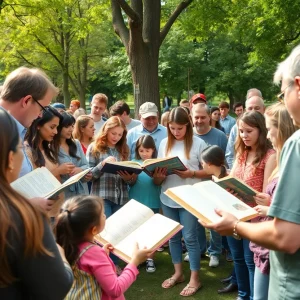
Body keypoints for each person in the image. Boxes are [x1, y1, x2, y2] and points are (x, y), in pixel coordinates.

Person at [200, 44, 300, 300]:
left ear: (297, 86)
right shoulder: (243, 153)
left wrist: (234, 226)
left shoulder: (294, 146)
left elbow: (287, 237)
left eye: (281, 94)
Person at [0, 108, 73, 299]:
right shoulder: (22, 217)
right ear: (10, 159)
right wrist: (61, 257)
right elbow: (56, 286)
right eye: (19, 149)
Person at [210, 111, 276, 300]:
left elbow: (265, 194)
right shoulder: (241, 152)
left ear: (261, 131)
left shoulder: (269, 156)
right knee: (237, 258)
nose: (244, 136)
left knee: (250, 261)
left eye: (249, 131)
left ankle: (255, 296)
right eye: (240, 131)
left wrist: (245, 195)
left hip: (255, 219)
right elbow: (235, 179)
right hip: (234, 214)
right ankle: (242, 295)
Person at [56, 195, 152, 300]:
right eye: (102, 215)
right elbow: (115, 289)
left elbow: (86, 269)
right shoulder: (93, 252)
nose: (105, 216)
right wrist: (135, 262)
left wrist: (103, 255)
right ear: (93, 230)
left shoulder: (67, 244)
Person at [156, 107, 208, 297]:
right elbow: (158, 174)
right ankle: (178, 273)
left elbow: (210, 171)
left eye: (180, 128)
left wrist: (191, 173)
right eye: (172, 128)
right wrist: (158, 175)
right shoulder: (163, 143)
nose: (176, 132)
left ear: (188, 125)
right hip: (167, 195)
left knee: (190, 237)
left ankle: (195, 278)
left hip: (189, 198)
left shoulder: (198, 143)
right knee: (173, 237)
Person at [249, 103, 296, 300]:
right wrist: (270, 200)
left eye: (269, 129)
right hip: (268, 244)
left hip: (276, 243)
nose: (267, 135)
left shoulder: (291, 159)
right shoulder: (281, 158)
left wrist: (235, 227)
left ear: (283, 128)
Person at [0, 66, 59, 211]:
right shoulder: (4, 129)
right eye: (42, 108)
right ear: (26, 101)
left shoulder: (14, 129)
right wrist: (28, 205)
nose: (40, 115)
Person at [87, 116, 132, 273]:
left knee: (119, 232)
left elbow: (130, 179)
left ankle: (115, 263)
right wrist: (103, 165)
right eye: (114, 133)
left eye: (120, 135)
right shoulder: (95, 148)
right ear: (106, 130)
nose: (116, 137)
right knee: (105, 232)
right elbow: (89, 176)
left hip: (121, 196)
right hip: (102, 196)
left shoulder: (124, 149)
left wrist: (129, 178)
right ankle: (105, 265)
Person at [190, 103, 227, 267]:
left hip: (216, 186)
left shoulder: (219, 136)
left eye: (202, 117)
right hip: (194, 185)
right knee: (197, 220)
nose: (199, 120)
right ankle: (199, 249)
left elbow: (227, 159)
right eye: (196, 117)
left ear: (209, 117)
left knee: (215, 221)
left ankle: (215, 252)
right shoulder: (188, 135)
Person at [25, 106, 74, 219]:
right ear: (38, 125)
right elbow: (33, 184)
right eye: (52, 127)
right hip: (42, 214)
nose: (55, 132)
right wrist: (58, 170)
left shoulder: (49, 147)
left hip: (58, 209)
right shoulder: (27, 151)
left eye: (57, 127)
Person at [128, 135, 161, 273]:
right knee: (136, 231)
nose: (144, 153)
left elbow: (158, 183)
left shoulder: (157, 163)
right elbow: (131, 183)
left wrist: (158, 177)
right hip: (135, 201)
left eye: (147, 150)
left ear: (153, 150)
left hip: (152, 201)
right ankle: (137, 258)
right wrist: (130, 178)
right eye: (141, 150)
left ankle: (150, 259)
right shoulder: (133, 162)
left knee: (151, 232)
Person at [54, 112, 90, 199]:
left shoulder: (76, 143)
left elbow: (86, 165)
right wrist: (60, 170)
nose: (71, 129)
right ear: (58, 127)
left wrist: (80, 170)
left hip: (82, 192)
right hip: (65, 194)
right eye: (67, 126)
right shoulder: (51, 147)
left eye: (72, 126)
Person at [226, 96, 265, 169]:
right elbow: (230, 154)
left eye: (257, 108)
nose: (244, 135)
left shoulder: (271, 127)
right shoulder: (235, 128)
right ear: (245, 110)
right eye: (250, 108)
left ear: (264, 109)